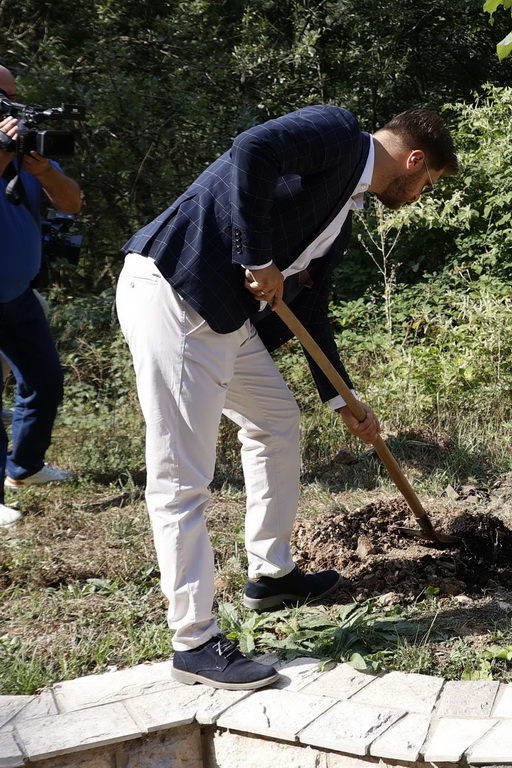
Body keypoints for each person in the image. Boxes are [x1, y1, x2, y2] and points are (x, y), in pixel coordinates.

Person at [115, 105, 457, 690]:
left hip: (222, 317)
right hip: (177, 291)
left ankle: (270, 576)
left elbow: (309, 309)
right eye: (427, 184)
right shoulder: (337, 133)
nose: (420, 195)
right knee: (181, 478)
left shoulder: (343, 212)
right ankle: (193, 641)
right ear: (414, 160)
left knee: (276, 419)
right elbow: (252, 148)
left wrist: (343, 399)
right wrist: (257, 257)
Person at [0, 65, 79, 528]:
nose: (9, 104)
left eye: (11, 95)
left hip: (17, 296)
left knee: (45, 381)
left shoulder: (26, 149)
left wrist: (44, 168)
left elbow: (71, 202)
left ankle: (24, 468)